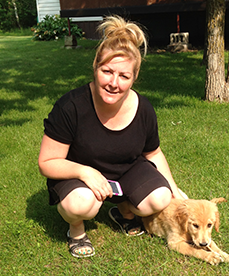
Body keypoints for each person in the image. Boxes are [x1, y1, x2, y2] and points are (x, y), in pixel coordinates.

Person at [38, 15, 187, 258]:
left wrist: (175, 190)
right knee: (81, 203)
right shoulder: (70, 107)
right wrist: (85, 172)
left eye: (124, 76)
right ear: (95, 66)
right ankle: (75, 230)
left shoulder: (144, 108)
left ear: (134, 77)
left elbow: (153, 153)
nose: (114, 83)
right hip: (78, 174)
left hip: (125, 171)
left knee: (161, 198)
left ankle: (123, 211)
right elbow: (47, 162)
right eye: (107, 71)